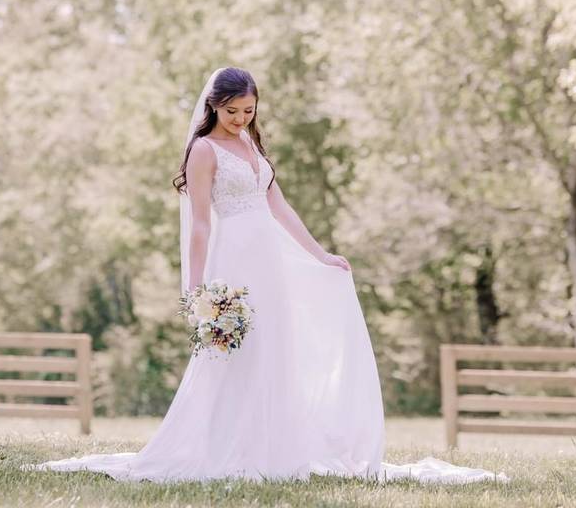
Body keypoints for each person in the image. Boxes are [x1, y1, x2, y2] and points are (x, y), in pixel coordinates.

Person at [27, 67, 509, 484]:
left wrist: (321, 255)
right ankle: (226, 446)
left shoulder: (251, 147)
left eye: (249, 111)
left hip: (270, 261)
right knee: (235, 355)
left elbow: (278, 205)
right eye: (233, 111)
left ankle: (275, 446)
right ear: (214, 107)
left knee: (276, 348)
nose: (241, 120)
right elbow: (199, 222)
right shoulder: (204, 152)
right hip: (232, 262)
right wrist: (197, 290)